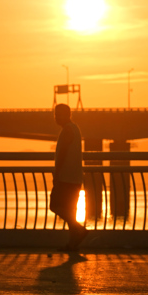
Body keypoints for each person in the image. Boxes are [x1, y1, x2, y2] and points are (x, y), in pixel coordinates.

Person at [50, 103, 88, 251]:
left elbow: (63, 154)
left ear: (68, 114)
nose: (56, 117)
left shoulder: (67, 130)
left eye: (59, 114)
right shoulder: (75, 129)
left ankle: (79, 228)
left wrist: (57, 173)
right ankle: (72, 244)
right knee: (69, 209)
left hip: (66, 178)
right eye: (55, 114)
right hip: (75, 177)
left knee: (55, 206)